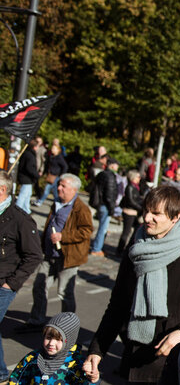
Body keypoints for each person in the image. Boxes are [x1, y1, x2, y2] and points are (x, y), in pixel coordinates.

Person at [84, 186, 180, 383]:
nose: (146, 218)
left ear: (175, 217)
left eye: (155, 213)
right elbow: (118, 306)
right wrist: (97, 350)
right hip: (135, 360)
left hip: (179, 363)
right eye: (145, 211)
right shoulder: (136, 250)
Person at [19, 174, 92, 331]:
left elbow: (86, 231)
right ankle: (37, 320)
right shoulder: (56, 203)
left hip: (68, 257)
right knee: (39, 285)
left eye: (63, 186)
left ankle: (67, 325)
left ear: (73, 189)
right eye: (59, 185)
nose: (59, 188)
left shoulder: (81, 209)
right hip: (49, 254)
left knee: (64, 292)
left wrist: (62, 236)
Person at [0, 170, 43, 383]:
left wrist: (11, 284)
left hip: (4, 283)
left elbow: (35, 255)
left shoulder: (20, 219)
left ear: (2, 189)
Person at [9, 312, 95, 384]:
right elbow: (16, 380)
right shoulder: (32, 359)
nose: (51, 343)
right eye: (48, 337)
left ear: (69, 341)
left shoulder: (77, 364)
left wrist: (92, 378)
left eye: (58, 339)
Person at [90, 157, 119, 257]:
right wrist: (111, 208)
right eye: (116, 165)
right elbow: (109, 195)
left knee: (102, 227)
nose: (117, 167)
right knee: (103, 228)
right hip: (105, 205)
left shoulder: (102, 174)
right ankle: (96, 248)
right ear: (112, 165)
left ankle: (97, 247)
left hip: (100, 203)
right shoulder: (110, 176)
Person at [117, 169, 144, 255]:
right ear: (133, 177)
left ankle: (127, 248)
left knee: (135, 231)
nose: (139, 178)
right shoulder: (130, 187)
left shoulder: (136, 187)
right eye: (138, 177)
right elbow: (131, 201)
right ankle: (119, 250)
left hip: (134, 212)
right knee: (126, 232)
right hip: (129, 212)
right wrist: (140, 208)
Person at [15, 139, 39, 214]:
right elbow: (29, 168)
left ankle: (26, 210)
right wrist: (36, 175)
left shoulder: (27, 153)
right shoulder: (30, 155)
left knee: (27, 194)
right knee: (23, 195)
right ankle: (17, 210)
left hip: (25, 177)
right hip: (26, 178)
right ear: (34, 147)